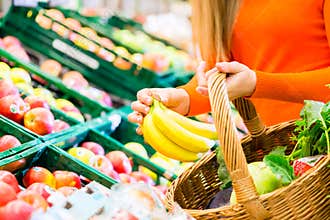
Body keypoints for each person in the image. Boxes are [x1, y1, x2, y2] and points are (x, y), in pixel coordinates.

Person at [128, 0, 330, 134]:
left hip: (323, 143)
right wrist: (183, 99)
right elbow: (215, 76)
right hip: (285, 157)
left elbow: (249, 81)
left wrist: (257, 83)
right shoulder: (219, 5)